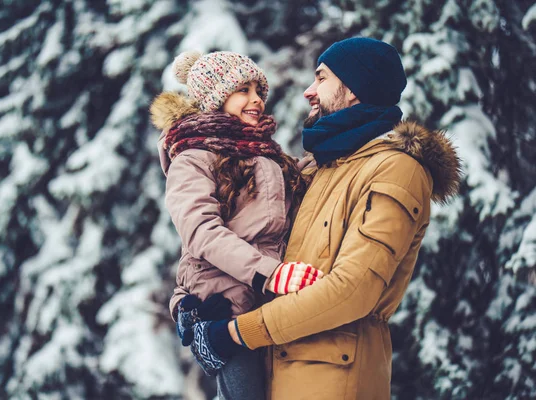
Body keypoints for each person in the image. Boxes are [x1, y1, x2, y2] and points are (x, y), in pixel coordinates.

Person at [188, 37, 462, 399]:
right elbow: (240, 236)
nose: (308, 91)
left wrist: (238, 332)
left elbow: (353, 291)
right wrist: (188, 300)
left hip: (331, 383)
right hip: (274, 375)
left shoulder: (397, 170)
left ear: (353, 90)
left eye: (321, 78)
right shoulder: (319, 167)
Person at [150, 51, 324, 399]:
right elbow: (200, 231)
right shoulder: (193, 157)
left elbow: (296, 192)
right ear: (215, 97)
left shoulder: (265, 154)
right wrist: (270, 273)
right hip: (222, 306)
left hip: (266, 302)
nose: (257, 99)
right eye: (243, 90)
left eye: (260, 90)